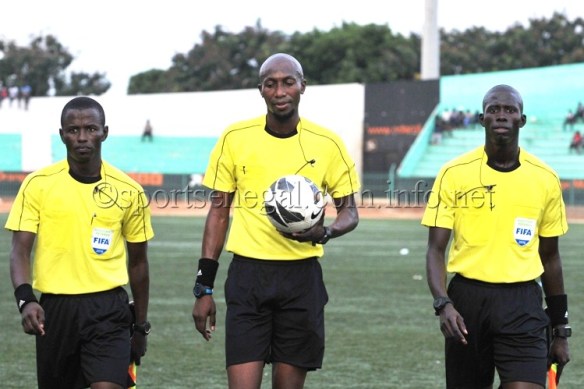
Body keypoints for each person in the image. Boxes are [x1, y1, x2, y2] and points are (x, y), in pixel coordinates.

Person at [191, 53, 360, 389]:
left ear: (302, 87)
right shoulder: (235, 138)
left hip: (302, 281)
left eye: (288, 82)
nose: (280, 91)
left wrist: (324, 232)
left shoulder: (328, 143)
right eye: (271, 83)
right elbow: (219, 213)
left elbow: (350, 212)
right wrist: (203, 287)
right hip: (248, 278)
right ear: (261, 90)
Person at [422, 84, 571, 389]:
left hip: (524, 302)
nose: (501, 115)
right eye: (493, 109)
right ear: (482, 119)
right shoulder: (454, 173)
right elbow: (436, 249)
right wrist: (443, 304)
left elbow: (551, 257)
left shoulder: (545, 178)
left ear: (522, 119)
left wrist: (561, 328)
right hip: (467, 301)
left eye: (509, 109)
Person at [5, 96, 155, 389]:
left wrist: (140, 327)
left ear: (105, 132)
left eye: (91, 128)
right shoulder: (38, 184)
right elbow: (19, 250)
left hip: (109, 309)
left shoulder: (129, 191)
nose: (82, 137)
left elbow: (138, 264)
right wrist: (26, 300)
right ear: (62, 135)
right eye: (73, 130)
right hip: (55, 311)